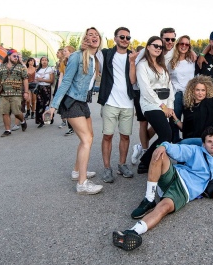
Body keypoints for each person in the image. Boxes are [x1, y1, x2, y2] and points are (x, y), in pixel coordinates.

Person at [112, 127, 213, 251]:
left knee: (163, 208)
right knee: (159, 152)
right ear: (203, 144)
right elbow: (178, 149)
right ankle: (149, 198)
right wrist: (164, 146)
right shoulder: (196, 150)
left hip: (184, 191)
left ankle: (131, 233)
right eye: (209, 141)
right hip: (175, 175)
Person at [46, 27, 103, 194]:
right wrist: (53, 105)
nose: (93, 37)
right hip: (71, 102)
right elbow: (66, 82)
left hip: (83, 102)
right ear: (84, 39)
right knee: (86, 140)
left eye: (96, 35)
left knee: (89, 137)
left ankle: (77, 171)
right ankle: (82, 183)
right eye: (89, 35)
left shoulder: (95, 58)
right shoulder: (77, 56)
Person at [130, 28, 176, 165]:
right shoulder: (142, 65)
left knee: (165, 134)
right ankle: (146, 160)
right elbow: (146, 90)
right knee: (167, 134)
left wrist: (170, 107)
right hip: (150, 104)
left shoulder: (162, 65)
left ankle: (147, 159)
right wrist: (163, 107)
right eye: (155, 45)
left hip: (164, 104)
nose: (158, 48)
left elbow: (169, 87)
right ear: (148, 47)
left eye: (160, 47)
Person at [97, 27, 137, 182]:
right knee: (107, 135)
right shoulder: (106, 54)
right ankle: (107, 168)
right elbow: (94, 46)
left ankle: (122, 164)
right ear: (115, 38)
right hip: (110, 102)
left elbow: (133, 81)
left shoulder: (132, 56)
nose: (125, 40)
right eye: (122, 37)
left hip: (127, 102)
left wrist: (132, 62)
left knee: (125, 136)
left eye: (128, 37)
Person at [175, 75, 213, 146]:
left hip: (209, 142)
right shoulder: (188, 107)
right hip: (192, 141)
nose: (200, 93)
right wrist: (174, 118)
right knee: (178, 145)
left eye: (203, 90)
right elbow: (185, 129)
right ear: (192, 91)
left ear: (207, 91)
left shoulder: (211, 103)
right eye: (197, 90)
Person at [0, 50, 29, 136]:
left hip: (16, 93)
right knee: (5, 112)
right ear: (8, 57)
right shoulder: (1, 67)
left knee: (17, 112)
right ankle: (7, 130)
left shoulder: (21, 67)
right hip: (4, 94)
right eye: (14, 56)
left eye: (17, 56)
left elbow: (25, 79)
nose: (16, 58)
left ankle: (22, 121)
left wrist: (26, 92)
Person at [169, 35, 197, 143]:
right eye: (182, 43)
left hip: (189, 94)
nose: (184, 46)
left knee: (189, 120)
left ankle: (187, 142)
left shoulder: (193, 60)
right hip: (176, 94)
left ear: (189, 46)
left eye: (187, 44)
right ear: (177, 45)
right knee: (174, 119)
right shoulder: (171, 61)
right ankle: (175, 142)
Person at [34, 56, 55, 127]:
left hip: (47, 88)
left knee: (46, 104)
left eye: (46, 60)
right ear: (40, 61)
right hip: (39, 88)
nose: (44, 61)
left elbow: (51, 80)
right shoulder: (38, 70)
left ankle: (48, 119)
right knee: (39, 104)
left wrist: (42, 80)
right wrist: (37, 80)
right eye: (43, 60)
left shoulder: (50, 69)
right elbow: (35, 79)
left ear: (48, 61)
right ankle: (40, 120)